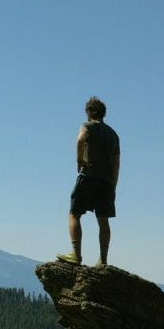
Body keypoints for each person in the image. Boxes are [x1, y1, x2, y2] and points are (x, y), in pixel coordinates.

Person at [57, 96, 120, 267]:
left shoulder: (88, 126)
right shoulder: (113, 135)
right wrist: (113, 185)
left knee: (74, 213)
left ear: (89, 112)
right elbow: (116, 164)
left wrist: (80, 160)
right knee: (103, 220)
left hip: (88, 177)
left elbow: (80, 139)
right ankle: (103, 260)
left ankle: (76, 254)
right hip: (106, 182)